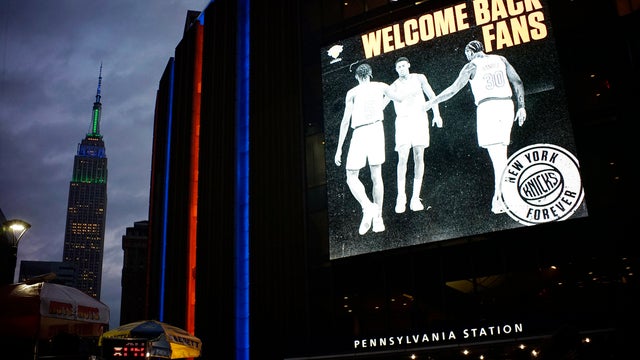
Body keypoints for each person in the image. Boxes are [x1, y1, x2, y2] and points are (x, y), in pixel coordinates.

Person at [424, 40, 526, 214]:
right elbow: (517, 82)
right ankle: (503, 196)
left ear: (470, 53)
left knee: (498, 157)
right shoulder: (500, 59)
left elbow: (452, 90)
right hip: (507, 106)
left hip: (488, 108)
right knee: (501, 153)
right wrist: (522, 106)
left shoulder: (471, 66)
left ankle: (502, 198)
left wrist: (432, 102)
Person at [335, 63, 393, 235]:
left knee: (351, 176)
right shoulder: (380, 86)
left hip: (360, 132)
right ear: (371, 74)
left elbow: (345, 122)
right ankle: (376, 215)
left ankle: (368, 208)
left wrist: (339, 149)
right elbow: (396, 96)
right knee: (376, 175)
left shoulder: (352, 92)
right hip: (375, 129)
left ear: (356, 77)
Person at [389, 56, 443, 214]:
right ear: (396, 69)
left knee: (419, 156)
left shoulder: (419, 78)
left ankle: (415, 197)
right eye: (398, 67)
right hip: (403, 122)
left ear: (408, 65)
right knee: (403, 158)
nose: (401, 69)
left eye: (403, 66)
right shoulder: (393, 86)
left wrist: (437, 115)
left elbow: (432, 96)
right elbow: (383, 103)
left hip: (419, 119)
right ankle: (401, 197)